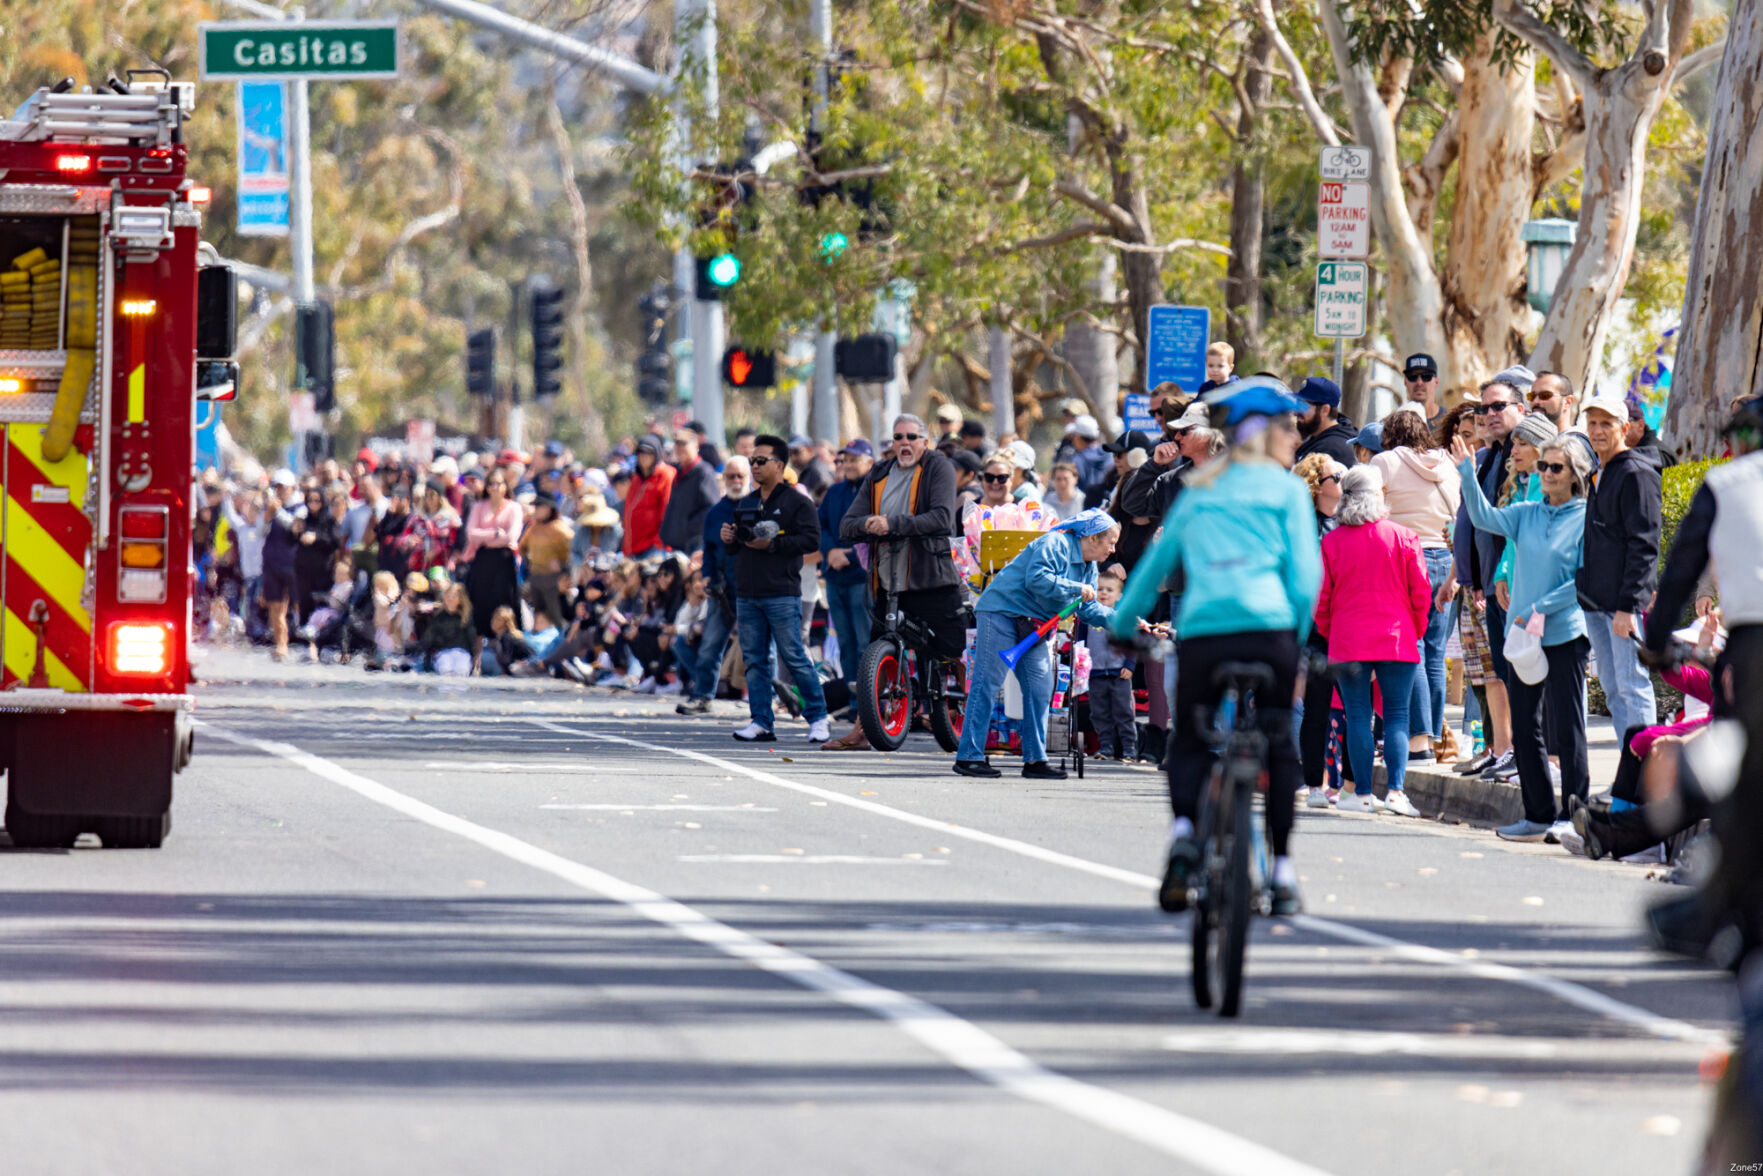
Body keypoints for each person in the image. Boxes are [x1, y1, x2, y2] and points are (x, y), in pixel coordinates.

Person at [1115, 378, 1320, 916]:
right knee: (1279, 742)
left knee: (1188, 739)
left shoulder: (1199, 487)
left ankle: (1184, 836)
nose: (1295, 438)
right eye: (1289, 428)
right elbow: (1305, 581)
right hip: (1272, 631)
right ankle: (1281, 871)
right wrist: (1298, 644)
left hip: (1205, 630)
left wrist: (1122, 624)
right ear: (1268, 433)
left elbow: (1154, 568)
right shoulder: (1287, 491)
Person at [1640, 396, 1763, 960]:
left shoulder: (1725, 483)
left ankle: (1719, 910)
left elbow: (1680, 569)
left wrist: (1657, 641)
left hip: (1754, 646)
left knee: (1744, 775)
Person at [1452, 429, 1590, 843]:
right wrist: (1466, 475)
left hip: (1564, 633)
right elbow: (1483, 518)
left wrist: (1537, 608)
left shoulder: (1586, 518)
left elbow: (1583, 581)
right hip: (1524, 640)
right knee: (1525, 727)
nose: (1545, 473)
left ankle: (1574, 816)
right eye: (1543, 465)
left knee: (1568, 727)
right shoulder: (1526, 512)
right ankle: (1538, 815)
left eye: (1555, 467)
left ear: (1575, 474)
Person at [825, 415, 964, 752]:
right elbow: (847, 525)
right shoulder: (879, 472)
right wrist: (868, 525)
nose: (904, 443)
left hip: (932, 578)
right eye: (898, 437)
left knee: (954, 650)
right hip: (887, 581)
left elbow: (942, 518)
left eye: (912, 437)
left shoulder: (938, 467)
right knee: (876, 656)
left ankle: (971, 722)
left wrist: (892, 525)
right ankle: (864, 730)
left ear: (925, 441)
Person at [953, 508, 1121, 780]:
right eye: (1110, 542)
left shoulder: (1089, 567)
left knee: (1040, 690)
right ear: (1092, 538)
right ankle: (968, 757)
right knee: (987, 683)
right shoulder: (1055, 543)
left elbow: (1086, 609)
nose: (1112, 550)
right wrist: (1076, 588)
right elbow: (1037, 580)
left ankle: (1035, 760)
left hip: (1034, 625)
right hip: (1001, 612)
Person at [1313, 464, 1431, 817]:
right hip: (1396, 636)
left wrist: (1330, 632)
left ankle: (1362, 793)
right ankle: (1395, 791)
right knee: (1396, 715)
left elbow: (1321, 598)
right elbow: (1421, 592)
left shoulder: (1332, 541)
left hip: (1348, 639)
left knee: (1357, 715)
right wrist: (1415, 629)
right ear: (1378, 495)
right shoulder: (1403, 536)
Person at [721, 435, 830, 743]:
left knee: (794, 656)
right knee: (754, 661)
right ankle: (761, 721)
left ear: (780, 465)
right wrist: (729, 538)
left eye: (760, 461)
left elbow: (811, 541)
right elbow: (737, 546)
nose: (754, 466)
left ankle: (818, 718)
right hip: (748, 592)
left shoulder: (798, 502)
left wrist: (772, 544)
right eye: (752, 461)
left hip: (782, 591)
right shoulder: (746, 501)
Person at [1371, 406, 1463, 765]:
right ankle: (1433, 736)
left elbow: (1371, 509)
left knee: (1415, 648)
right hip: (1447, 558)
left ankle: (1419, 740)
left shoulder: (1385, 462)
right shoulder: (1448, 463)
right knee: (1436, 652)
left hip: (1407, 558)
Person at [1577, 392, 1663, 749]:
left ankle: (1647, 769)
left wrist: (1628, 606)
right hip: (1595, 603)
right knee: (1613, 689)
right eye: (1592, 423)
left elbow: (1645, 544)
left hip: (1622, 606)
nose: (1597, 430)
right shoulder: (1599, 472)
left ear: (1625, 429)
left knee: (1632, 686)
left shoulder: (1637, 473)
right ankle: (1630, 769)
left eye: (1606, 424)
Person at [677, 456, 750, 715]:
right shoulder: (715, 513)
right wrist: (707, 575)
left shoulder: (757, 507)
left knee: (759, 648)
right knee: (709, 646)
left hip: (750, 590)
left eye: (740, 476)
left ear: (748, 477)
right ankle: (703, 696)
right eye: (731, 476)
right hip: (721, 589)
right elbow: (708, 550)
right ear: (724, 479)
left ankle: (767, 701)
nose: (736, 481)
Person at [819, 439, 875, 695]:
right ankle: (854, 702)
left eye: (855, 460)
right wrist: (830, 551)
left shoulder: (874, 493)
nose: (849, 465)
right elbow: (820, 526)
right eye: (846, 460)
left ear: (869, 463)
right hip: (835, 577)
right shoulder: (834, 492)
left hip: (860, 578)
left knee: (864, 643)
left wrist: (849, 557)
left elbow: (874, 531)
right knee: (845, 643)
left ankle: (868, 703)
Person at [462, 466, 523, 654]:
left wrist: (485, 536)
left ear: (505, 486)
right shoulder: (479, 506)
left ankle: (507, 648)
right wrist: (495, 533)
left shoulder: (514, 507)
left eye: (499, 483)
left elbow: (512, 536)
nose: (495, 488)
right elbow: (471, 534)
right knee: (480, 604)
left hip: (504, 561)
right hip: (483, 560)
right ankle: (478, 650)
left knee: (504, 603)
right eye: (491, 484)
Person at [1085, 571, 1137, 761]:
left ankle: (1129, 748)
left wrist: (1129, 665)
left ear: (1119, 596)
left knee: (1124, 712)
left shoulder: (1122, 618)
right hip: (1095, 672)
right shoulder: (1088, 618)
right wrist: (1083, 666)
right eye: (1100, 589)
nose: (1104, 593)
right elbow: (1081, 643)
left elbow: (1132, 642)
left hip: (1119, 672)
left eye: (1109, 590)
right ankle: (1105, 746)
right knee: (1099, 712)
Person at [659, 428, 720, 554]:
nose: (679, 448)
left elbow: (712, 508)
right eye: (677, 444)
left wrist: (687, 527)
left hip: (695, 545)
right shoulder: (678, 471)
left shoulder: (704, 472)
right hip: (676, 544)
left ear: (696, 446)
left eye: (684, 444)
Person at [519, 492, 573, 630]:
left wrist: (562, 565)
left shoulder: (559, 528)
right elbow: (523, 547)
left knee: (555, 616)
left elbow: (573, 550)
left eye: (539, 506)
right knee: (539, 616)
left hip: (554, 580)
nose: (536, 510)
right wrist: (529, 564)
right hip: (536, 578)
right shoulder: (534, 528)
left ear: (549, 508)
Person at [622, 435, 674, 557]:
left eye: (649, 452)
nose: (644, 456)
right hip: (633, 548)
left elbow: (667, 513)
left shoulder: (665, 475)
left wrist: (657, 542)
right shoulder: (637, 478)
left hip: (653, 548)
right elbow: (629, 510)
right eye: (641, 452)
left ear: (657, 454)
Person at [1292, 376, 1358, 468]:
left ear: (1325, 410)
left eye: (1303, 406)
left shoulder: (1333, 450)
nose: (1295, 413)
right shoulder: (1318, 438)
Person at [1068, 415, 1110, 495]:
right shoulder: (1110, 455)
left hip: (1085, 502)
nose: (1072, 439)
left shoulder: (1076, 461)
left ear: (1078, 437)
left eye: (1073, 435)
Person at [789, 434, 834, 499]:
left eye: (796, 452)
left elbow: (827, 496)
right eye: (790, 454)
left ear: (810, 450)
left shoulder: (817, 469)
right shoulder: (809, 470)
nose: (793, 458)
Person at [1403, 352, 1443, 424]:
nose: (1419, 382)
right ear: (1405, 381)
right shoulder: (1393, 424)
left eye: (1426, 376)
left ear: (1436, 382)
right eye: (1412, 377)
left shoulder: (1452, 422)